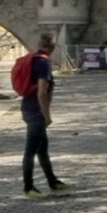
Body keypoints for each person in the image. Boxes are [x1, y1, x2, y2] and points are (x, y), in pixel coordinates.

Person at [19, 30, 64, 194]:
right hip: (36, 112)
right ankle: (28, 187)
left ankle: (53, 181)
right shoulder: (43, 63)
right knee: (30, 151)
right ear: (53, 46)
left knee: (42, 149)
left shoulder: (34, 58)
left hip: (27, 107)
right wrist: (47, 116)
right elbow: (42, 93)